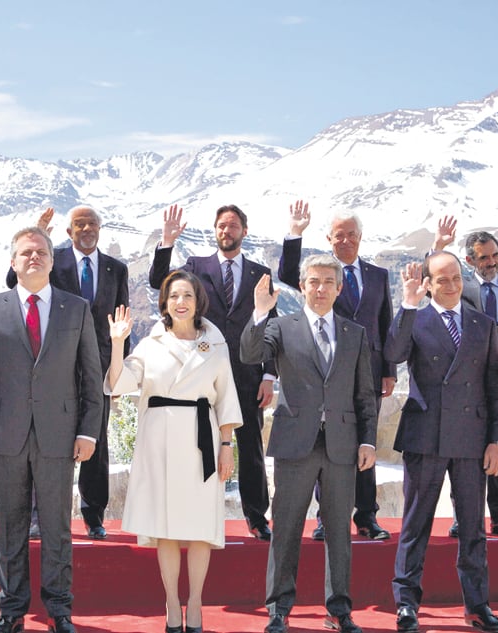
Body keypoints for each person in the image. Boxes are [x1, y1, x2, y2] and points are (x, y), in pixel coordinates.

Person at [0, 227, 103, 633]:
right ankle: (11, 612)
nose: (34, 257)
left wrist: (88, 432)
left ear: (52, 260)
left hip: (60, 433)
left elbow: (90, 377)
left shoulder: (76, 308)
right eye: (26, 253)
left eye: (42, 252)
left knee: (56, 527)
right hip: (6, 432)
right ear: (13, 262)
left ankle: (60, 611)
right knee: (10, 526)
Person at [241, 255, 378, 633]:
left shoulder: (355, 333)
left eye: (327, 282)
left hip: (342, 445)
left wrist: (368, 441)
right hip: (295, 444)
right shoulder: (282, 327)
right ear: (302, 285)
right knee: (286, 528)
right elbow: (250, 355)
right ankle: (279, 609)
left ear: (338, 288)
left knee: (338, 530)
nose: (320, 289)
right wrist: (259, 312)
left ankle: (339, 610)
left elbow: (365, 395)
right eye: (313, 281)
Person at [106, 270, 242, 633]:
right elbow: (120, 384)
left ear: (198, 302)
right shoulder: (150, 345)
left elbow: (226, 399)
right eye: (173, 296)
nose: (180, 302)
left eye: (187, 296)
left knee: (200, 528)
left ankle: (195, 601)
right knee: (165, 529)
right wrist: (118, 343)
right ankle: (170, 602)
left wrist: (226, 447)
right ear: (164, 303)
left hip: (202, 441)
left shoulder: (215, 345)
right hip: (159, 441)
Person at [385, 252, 498, 633]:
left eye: (455, 277)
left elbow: (494, 388)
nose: (452, 285)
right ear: (428, 284)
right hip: (427, 437)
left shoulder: (482, 323)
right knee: (415, 525)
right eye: (442, 279)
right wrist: (407, 303)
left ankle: (477, 606)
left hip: (472, 439)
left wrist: (497, 440)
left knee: (473, 528)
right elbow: (393, 354)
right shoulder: (415, 318)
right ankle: (406, 604)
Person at [149, 204, 276, 540]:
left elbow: (272, 326)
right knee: (197, 446)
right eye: (221, 225)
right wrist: (166, 243)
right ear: (214, 230)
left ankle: (257, 518)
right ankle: (192, 516)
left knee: (250, 449)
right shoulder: (196, 267)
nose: (226, 230)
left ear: (244, 232)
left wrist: (269, 375)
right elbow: (157, 283)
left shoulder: (260, 274)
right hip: (202, 373)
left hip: (248, 375)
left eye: (233, 225)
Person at [6, 206, 129, 540]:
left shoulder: (116, 268)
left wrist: (119, 373)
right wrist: (37, 230)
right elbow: (12, 282)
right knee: (41, 442)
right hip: (53, 365)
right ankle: (36, 516)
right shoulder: (51, 258)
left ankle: (94, 515)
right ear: (68, 231)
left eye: (92, 223)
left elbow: (122, 322)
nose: (86, 228)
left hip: (98, 368)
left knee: (95, 442)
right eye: (79, 224)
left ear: (100, 228)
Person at [277, 201, 394, 542]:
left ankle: (367, 517)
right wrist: (295, 234)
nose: (345, 241)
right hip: (329, 374)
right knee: (325, 447)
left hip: (368, 373)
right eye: (338, 235)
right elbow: (287, 274)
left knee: (365, 444)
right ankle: (326, 518)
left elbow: (384, 323)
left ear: (360, 238)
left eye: (351, 235)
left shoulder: (378, 276)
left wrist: (389, 371)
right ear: (328, 238)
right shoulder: (322, 276)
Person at [432, 216, 498, 539]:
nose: (491, 262)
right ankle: (464, 517)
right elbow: (427, 280)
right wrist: (438, 247)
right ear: (470, 259)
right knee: (467, 447)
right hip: (468, 378)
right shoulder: (459, 286)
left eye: (494, 255)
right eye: (484, 257)